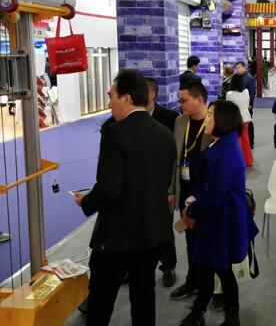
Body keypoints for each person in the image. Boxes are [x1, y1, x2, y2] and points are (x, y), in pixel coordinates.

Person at [75, 69, 176, 326]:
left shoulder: (114, 133)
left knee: (100, 302)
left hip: (117, 237)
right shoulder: (165, 133)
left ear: (127, 98)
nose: (109, 102)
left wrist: (86, 201)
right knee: (144, 299)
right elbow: (160, 182)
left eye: (111, 96)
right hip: (151, 233)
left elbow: (110, 188)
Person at [180, 101, 258, 326]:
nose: (206, 119)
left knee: (219, 268)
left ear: (223, 121)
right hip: (216, 219)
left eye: (211, 115)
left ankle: (224, 316)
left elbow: (213, 195)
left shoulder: (226, 152)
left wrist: (191, 210)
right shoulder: (222, 145)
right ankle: (203, 312)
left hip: (219, 221)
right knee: (211, 267)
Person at [169, 81, 212, 301]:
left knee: (210, 239)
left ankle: (215, 288)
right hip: (184, 187)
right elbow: (174, 159)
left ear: (199, 99)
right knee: (190, 237)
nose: (180, 104)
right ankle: (193, 281)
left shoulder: (214, 123)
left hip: (207, 191)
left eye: (184, 100)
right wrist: (171, 190)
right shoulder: (180, 122)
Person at [145, 77, 179, 287]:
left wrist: (171, 188)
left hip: (163, 183)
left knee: (164, 229)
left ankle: (168, 266)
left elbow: (174, 154)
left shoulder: (169, 117)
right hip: (140, 185)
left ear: (152, 94)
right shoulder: (128, 118)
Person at [226, 74, 253, 167]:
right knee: (245, 139)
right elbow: (247, 104)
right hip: (246, 118)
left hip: (235, 119)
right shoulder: (246, 91)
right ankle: (248, 160)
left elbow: (229, 108)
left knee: (237, 141)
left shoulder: (229, 94)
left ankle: (239, 161)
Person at [235, 61, 257, 149]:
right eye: (237, 68)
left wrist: (250, 104)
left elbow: (252, 92)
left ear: (244, 67)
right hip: (239, 104)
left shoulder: (250, 78)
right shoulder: (237, 77)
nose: (238, 69)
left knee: (249, 123)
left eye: (239, 67)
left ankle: (251, 142)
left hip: (247, 105)